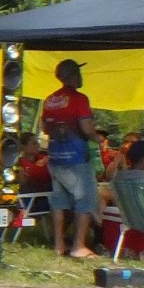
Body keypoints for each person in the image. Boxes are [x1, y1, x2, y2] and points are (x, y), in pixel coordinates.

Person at [41, 58, 99, 257]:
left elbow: (44, 128)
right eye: (78, 72)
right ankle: (79, 246)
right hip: (75, 157)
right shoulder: (79, 99)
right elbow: (86, 127)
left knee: (59, 201)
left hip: (55, 156)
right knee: (84, 200)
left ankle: (59, 245)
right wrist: (95, 137)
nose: (81, 76)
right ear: (72, 76)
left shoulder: (49, 99)